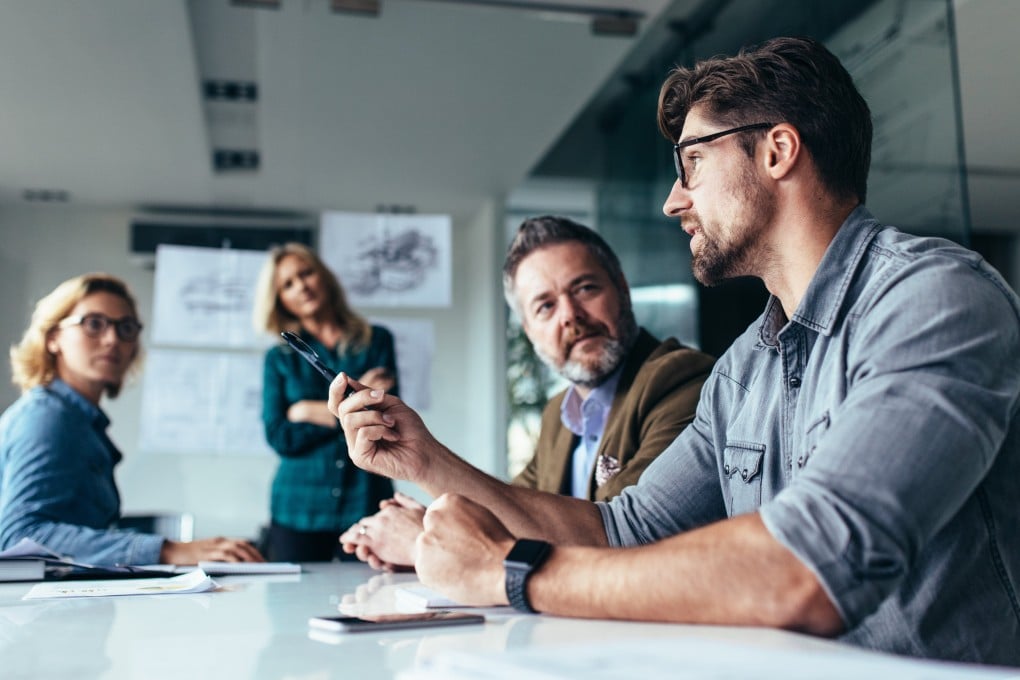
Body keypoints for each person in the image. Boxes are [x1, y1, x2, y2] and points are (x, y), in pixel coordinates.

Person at [328, 36, 1020, 666]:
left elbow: (809, 566)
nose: (672, 201)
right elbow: (622, 530)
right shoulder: (745, 368)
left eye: (692, 163)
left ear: (778, 151)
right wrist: (424, 460)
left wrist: (511, 572)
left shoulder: (934, 299)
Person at [340, 216, 715, 569]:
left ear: (622, 288)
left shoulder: (683, 381)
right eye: (545, 306)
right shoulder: (559, 413)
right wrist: (431, 524)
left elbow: (619, 540)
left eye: (585, 288)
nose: (570, 315)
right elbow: (512, 514)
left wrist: (426, 541)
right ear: (528, 330)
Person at [0, 273, 263, 565]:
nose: (113, 339)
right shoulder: (47, 418)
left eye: (125, 328)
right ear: (53, 338)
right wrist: (167, 550)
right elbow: (19, 537)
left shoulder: (81, 422)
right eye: (94, 324)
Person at [254, 242, 398, 562]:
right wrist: (350, 410)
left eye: (306, 273)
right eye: (287, 284)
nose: (301, 286)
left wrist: (305, 411)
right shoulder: (279, 358)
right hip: (298, 509)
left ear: (324, 276)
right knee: (294, 594)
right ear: (279, 300)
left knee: (374, 590)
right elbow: (279, 435)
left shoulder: (377, 341)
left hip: (365, 501)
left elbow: (383, 418)